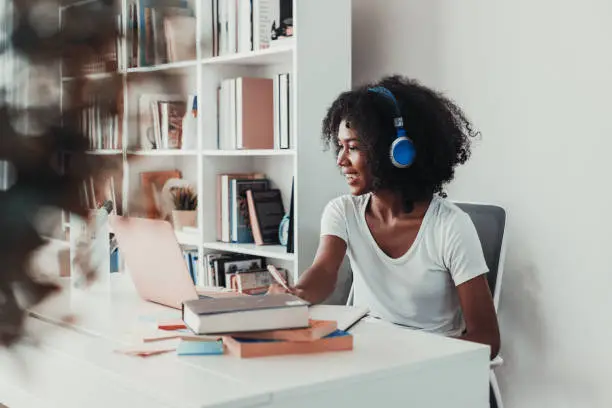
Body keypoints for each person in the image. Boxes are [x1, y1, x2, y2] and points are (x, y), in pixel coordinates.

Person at [269, 75, 500, 359]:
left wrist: (419, 359)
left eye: (353, 147)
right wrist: (297, 293)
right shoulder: (343, 211)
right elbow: (325, 273)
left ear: (398, 151)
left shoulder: (450, 226)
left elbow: (488, 337)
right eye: (340, 146)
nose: (341, 160)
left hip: (428, 365)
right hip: (369, 357)